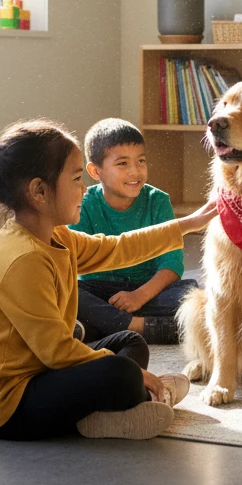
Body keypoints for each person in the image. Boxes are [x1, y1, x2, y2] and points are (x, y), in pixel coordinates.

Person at [0, 119, 218, 441]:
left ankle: (119, 407)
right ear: (39, 191)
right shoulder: (22, 258)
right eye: (77, 178)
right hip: (7, 406)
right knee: (119, 371)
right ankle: (134, 399)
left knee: (128, 341)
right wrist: (133, 374)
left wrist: (190, 223)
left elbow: (120, 247)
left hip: (43, 372)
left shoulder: (58, 236)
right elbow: (56, 350)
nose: (84, 189)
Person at [70, 118, 196, 344]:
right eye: (122, 164)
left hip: (149, 291)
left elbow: (172, 263)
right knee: (68, 293)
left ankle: (100, 328)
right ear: (95, 171)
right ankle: (138, 327)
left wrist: (139, 296)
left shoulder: (157, 201)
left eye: (141, 161)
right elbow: (74, 260)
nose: (135, 172)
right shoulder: (84, 203)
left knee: (193, 297)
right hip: (100, 292)